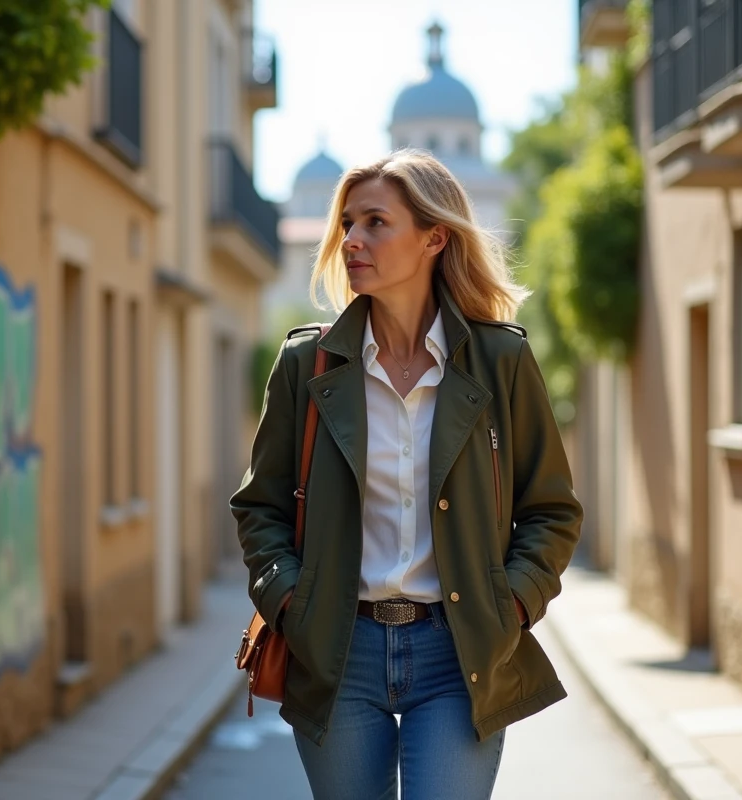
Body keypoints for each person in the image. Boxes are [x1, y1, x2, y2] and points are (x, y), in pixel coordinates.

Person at [231, 148, 583, 799]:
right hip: (337, 651)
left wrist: (510, 603)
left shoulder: (500, 361)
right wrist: (290, 604)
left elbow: (551, 510)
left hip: (461, 654)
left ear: (434, 237)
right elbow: (261, 508)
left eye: (374, 223)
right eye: (346, 224)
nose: (352, 241)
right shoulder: (306, 366)